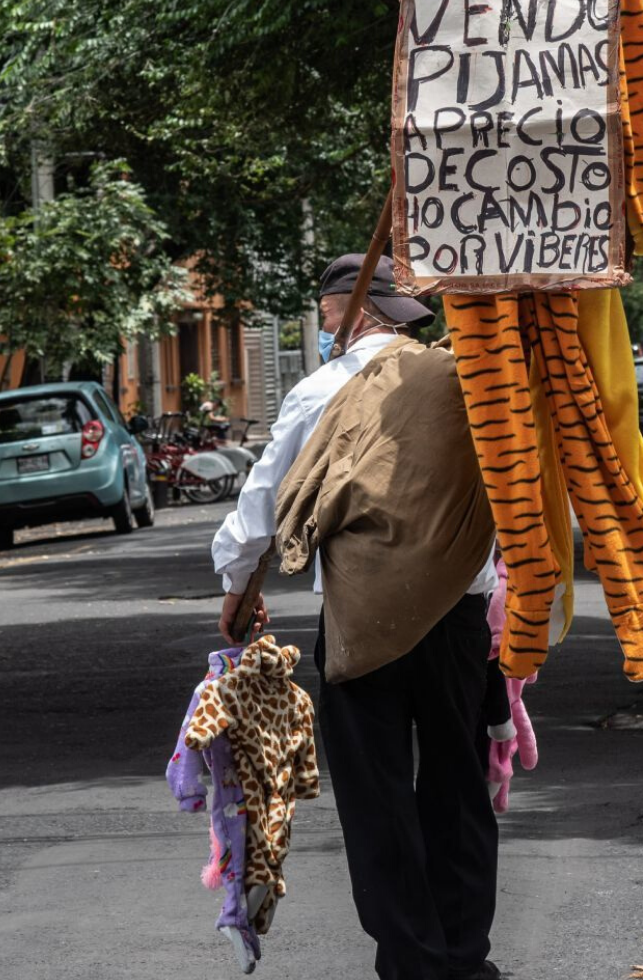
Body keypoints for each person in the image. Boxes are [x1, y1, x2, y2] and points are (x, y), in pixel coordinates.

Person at [210, 254, 504, 980]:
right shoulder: (464, 378)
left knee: (377, 798)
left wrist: (238, 583)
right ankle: (465, 959)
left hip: (361, 619)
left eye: (323, 312)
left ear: (344, 311)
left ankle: (413, 960)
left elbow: (268, 495)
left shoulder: (323, 388)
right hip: (460, 613)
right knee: (457, 785)